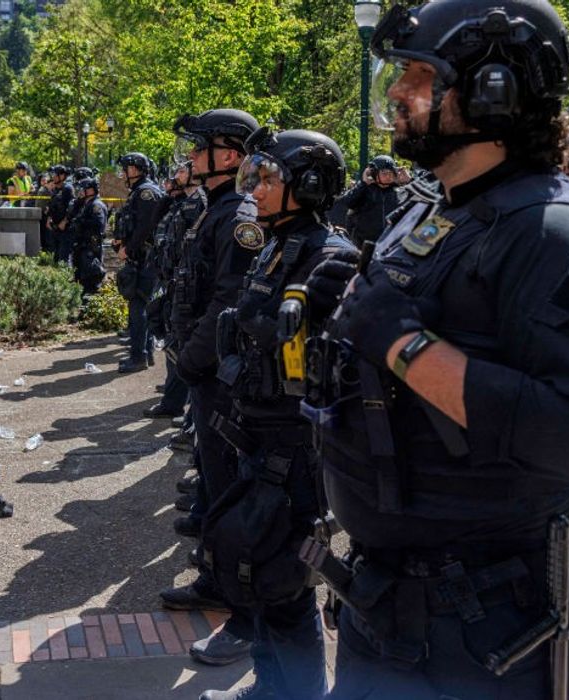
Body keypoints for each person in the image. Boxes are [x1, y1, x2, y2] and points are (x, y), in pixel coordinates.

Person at [304, 1, 569, 697]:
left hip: (485, 629)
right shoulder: (430, 207)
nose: (399, 92)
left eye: (421, 76)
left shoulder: (557, 233)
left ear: (494, 91)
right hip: (389, 606)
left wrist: (402, 344)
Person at [198, 127, 354, 700]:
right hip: (258, 440)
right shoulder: (274, 246)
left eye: (269, 179)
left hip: (295, 451)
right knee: (257, 573)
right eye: (255, 177)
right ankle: (271, 686)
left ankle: (299, 693)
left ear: (308, 186)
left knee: (286, 585)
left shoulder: (329, 257)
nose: (256, 190)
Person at [160, 109, 262, 670]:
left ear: (230, 155)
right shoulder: (213, 208)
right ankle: (216, 579)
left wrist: (192, 361)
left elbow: (229, 300)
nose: (191, 156)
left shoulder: (238, 215)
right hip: (205, 373)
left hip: (220, 376)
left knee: (229, 489)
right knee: (215, 485)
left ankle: (239, 604)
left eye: (200, 147)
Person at [143, 164, 204, 420]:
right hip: (171, 281)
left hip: (186, 284)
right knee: (172, 341)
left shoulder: (201, 203)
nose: (175, 176)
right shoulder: (179, 203)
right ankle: (174, 399)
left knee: (181, 344)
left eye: (181, 171)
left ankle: (179, 406)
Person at [113, 152, 166, 373]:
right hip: (141, 257)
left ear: (135, 169)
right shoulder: (139, 191)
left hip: (146, 258)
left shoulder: (146, 193)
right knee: (141, 305)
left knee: (138, 307)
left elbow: (145, 227)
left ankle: (138, 357)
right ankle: (146, 354)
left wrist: (128, 249)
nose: (122, 173)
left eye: (125, 168)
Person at [333, 154, 405, 245]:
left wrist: (410, 181)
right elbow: (347, 202)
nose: (388, 176)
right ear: (374, 173)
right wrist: (363, 183)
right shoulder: (364, 190)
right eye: (384, 173)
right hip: (364, 245)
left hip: (390, 244)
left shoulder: (400, 191)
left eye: (391, 173)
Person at [70, 177, 107, 297]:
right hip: (82, 246)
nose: (80, 192)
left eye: (82, 189)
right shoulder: (85, 204)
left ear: (90, 190)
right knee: (81, 277)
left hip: (90, 247)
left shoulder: (96, 205)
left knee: (90, 278)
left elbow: (98, 224)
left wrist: (81, 222)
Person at [45, 165, 75, 263]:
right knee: (56, 256)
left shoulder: (68, 189)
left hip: (65, 229)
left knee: (64, 257)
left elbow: (72, 207)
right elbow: (51, 205)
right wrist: (49, 218)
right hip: (55, 227)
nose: (53, 177)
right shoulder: (55, 189)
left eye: (55, 174)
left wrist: (65, 221)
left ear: (62, 176)